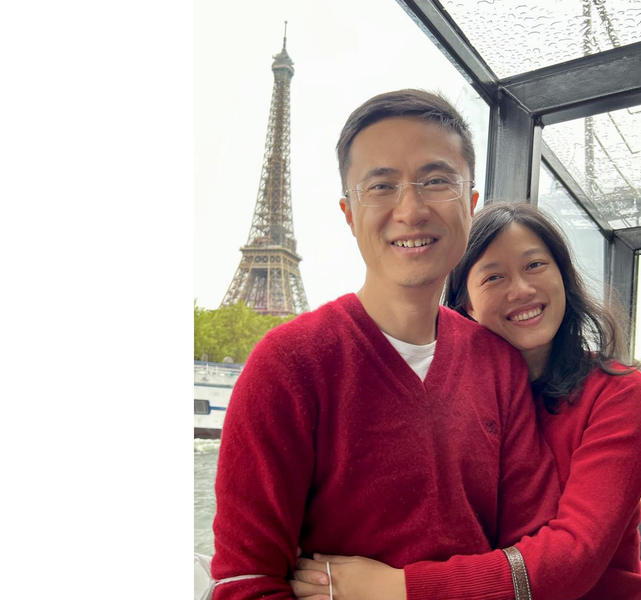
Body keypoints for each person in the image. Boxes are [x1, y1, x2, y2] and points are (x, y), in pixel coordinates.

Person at [208, 91, 561, 600]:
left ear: (470, 204)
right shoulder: (287, 365)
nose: (410, 210)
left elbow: (534, 556)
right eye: (381, 186)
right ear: (349, 214)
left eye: (436, 181)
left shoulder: (499, 366)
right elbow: (246, 580)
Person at [291, 202, 641, 600]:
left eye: (535, 265)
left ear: (563, 276)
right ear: (468, 305)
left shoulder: (619, 393)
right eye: (493, 276)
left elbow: (576, 554)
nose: (521, 289)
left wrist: (397, 587)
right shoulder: (450, 398)